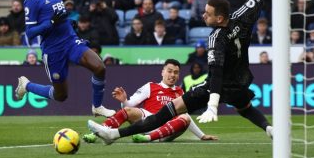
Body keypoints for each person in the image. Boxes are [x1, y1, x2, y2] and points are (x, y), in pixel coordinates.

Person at [87, 0, 274, 144]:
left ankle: (113, 134)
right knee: (246, 108)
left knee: (165, 113)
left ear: (219, 19)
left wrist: (212, 105)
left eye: (207, 14)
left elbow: (216, 73)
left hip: (214, 87)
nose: (203, 16)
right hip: (240, 83)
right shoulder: (242, 16)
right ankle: (269, 128)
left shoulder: (216, 38)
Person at [15, 0, 115, 118]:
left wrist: (68, 22)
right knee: (61, 95)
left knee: (99, 67)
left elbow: (58, 15)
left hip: (70, 40)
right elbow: (30, 33)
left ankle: (97, 106)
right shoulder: (31, 0)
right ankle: (27, 85)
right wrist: (51, 23)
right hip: (53, 49)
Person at [83, 59, 217, 143]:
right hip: (147, 122)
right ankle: (96, 134)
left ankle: (147, 138)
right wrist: (124, 100)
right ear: (162, 72)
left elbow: (187, 118)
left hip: (166, 129)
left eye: (176, 72)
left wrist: (201, 135)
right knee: (128, 110)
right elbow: (129, 106)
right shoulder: (150, 86)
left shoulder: (180, 92)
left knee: (184, 117)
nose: (172, 75)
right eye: (169, 71)